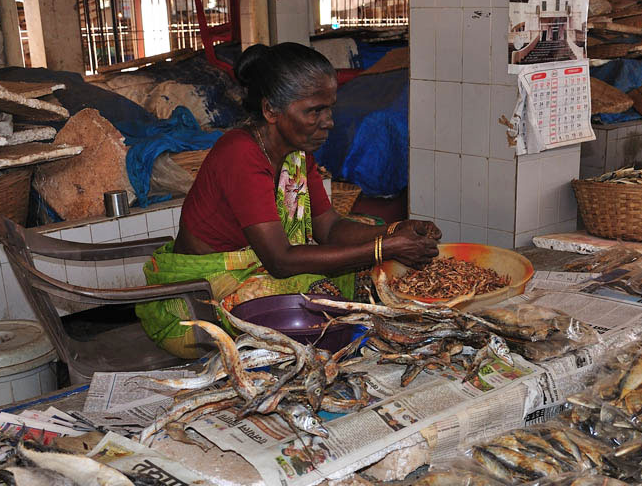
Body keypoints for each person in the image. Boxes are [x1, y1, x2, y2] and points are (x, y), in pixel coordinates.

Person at [137, 42, 441, 357]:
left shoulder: (296, 153)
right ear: (271, 110)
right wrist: (383, 248)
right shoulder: (240, 154)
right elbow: (280, 261)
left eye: (329, 108)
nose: (329, 121)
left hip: (255, 268)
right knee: (323, 286)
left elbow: (330, 228)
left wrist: (396, 233)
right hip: (198, 302)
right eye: (314, 110)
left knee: (371, 234)